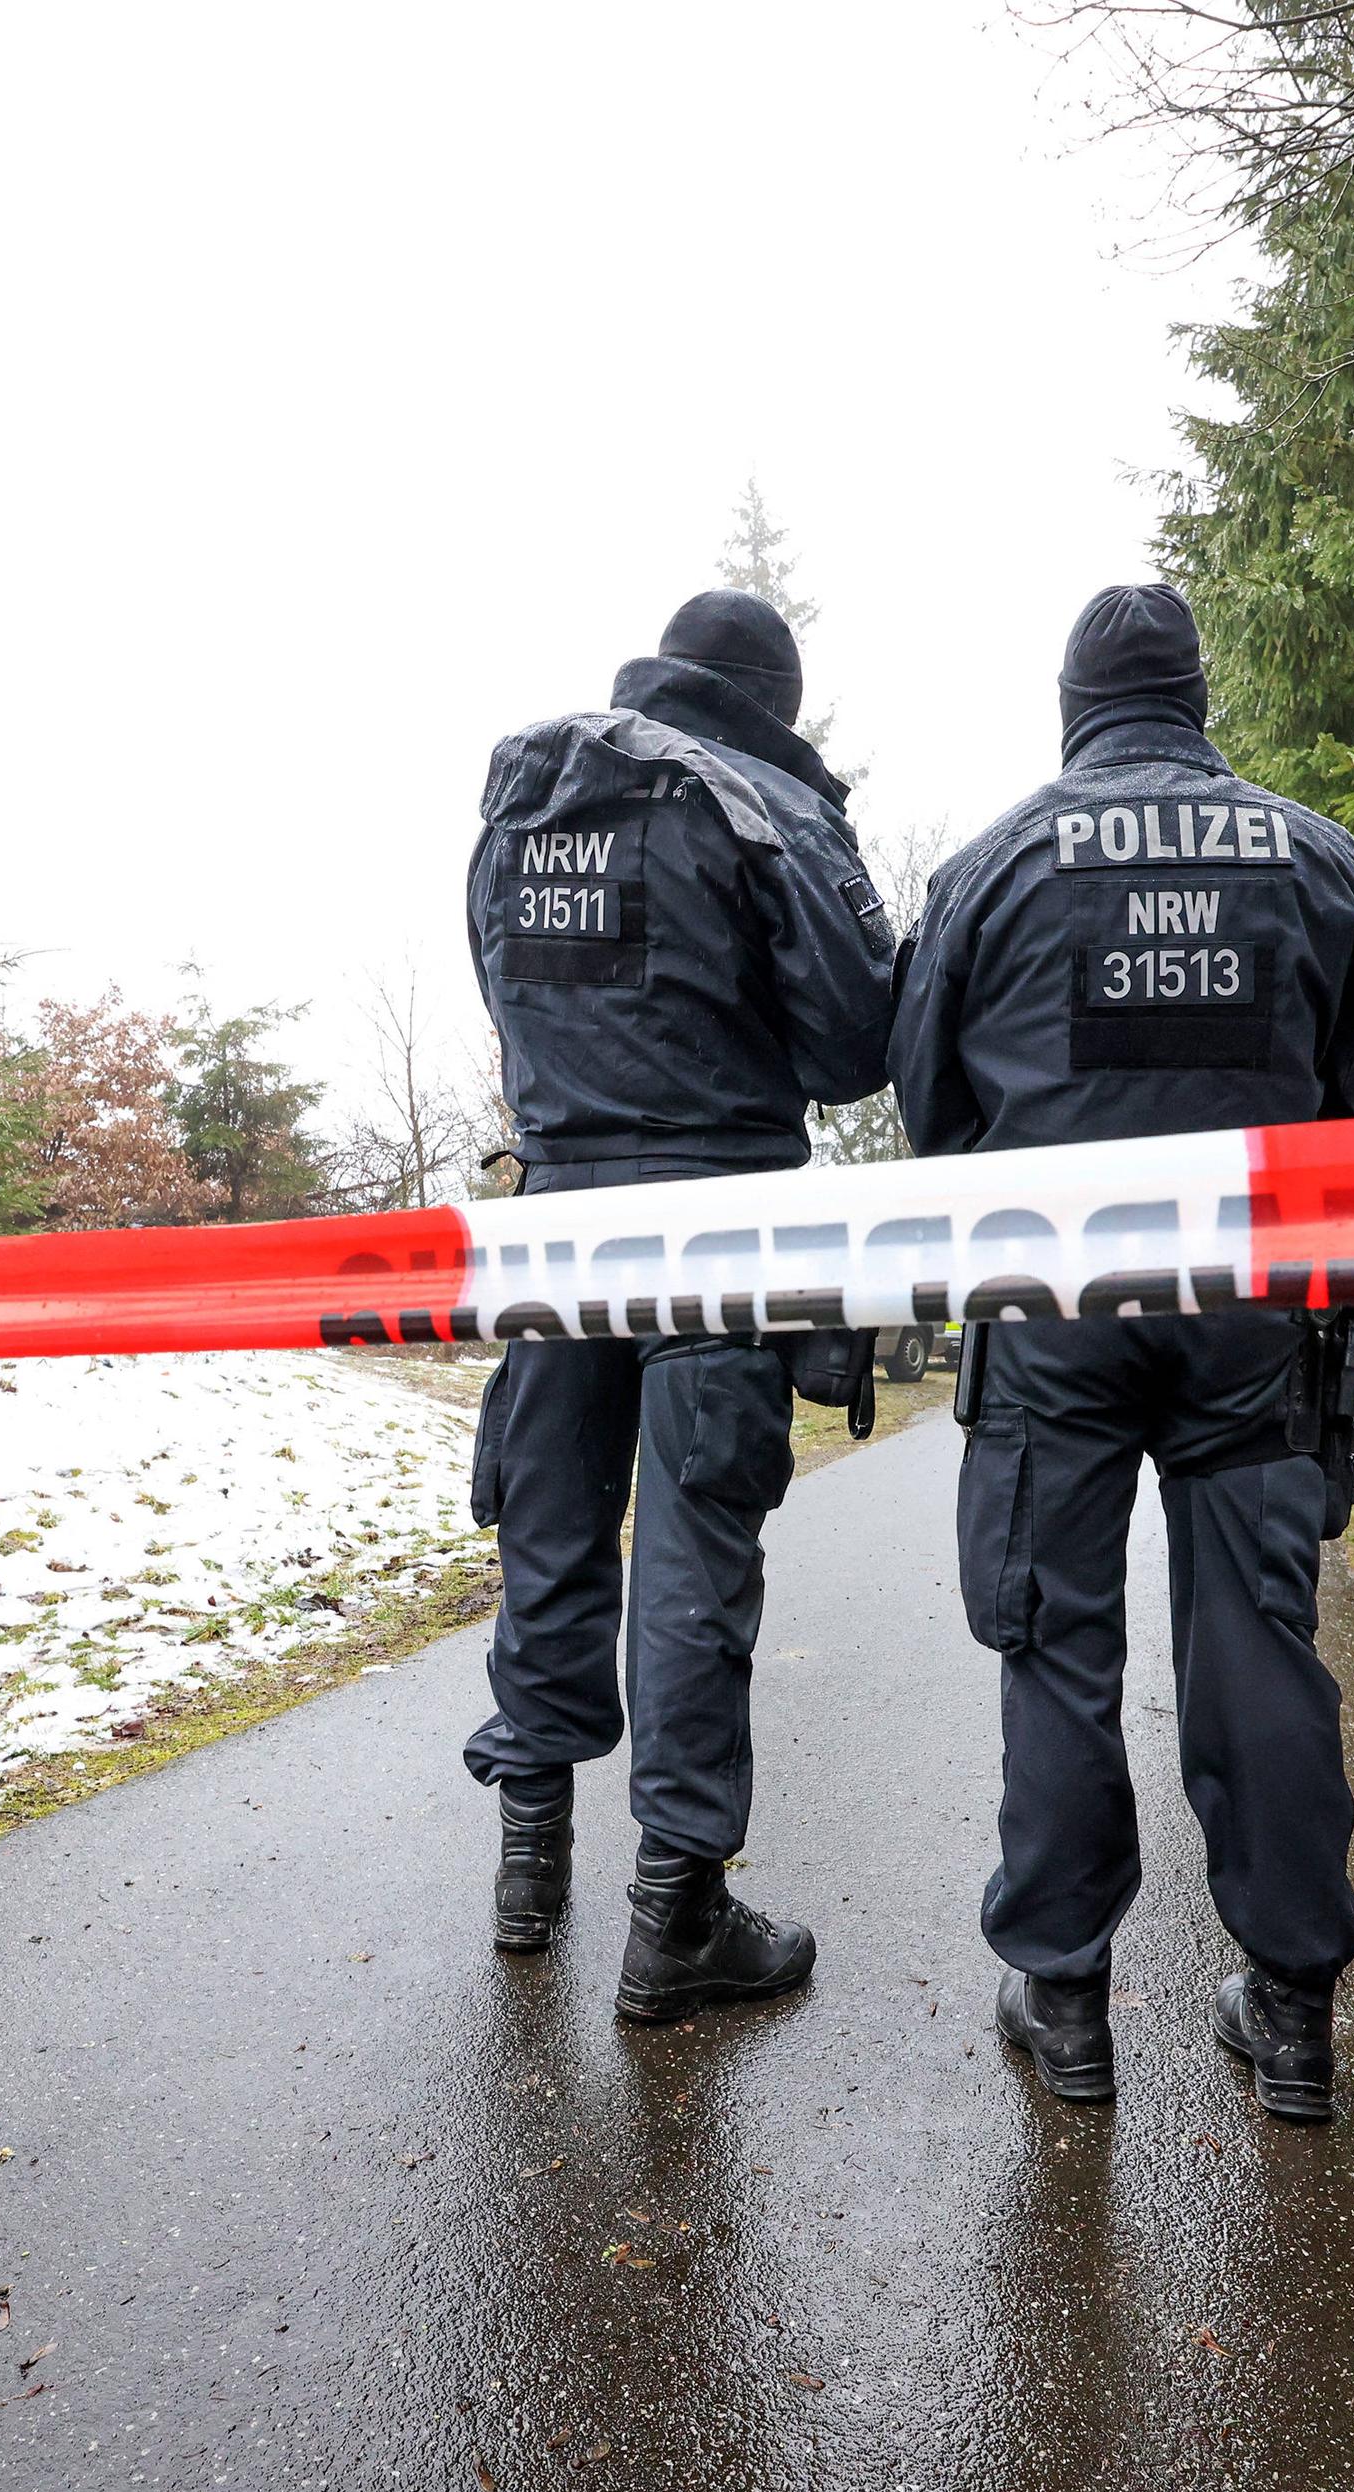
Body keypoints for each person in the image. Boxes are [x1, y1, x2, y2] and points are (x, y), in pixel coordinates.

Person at [889, 583, 1354, 2121]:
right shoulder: (1310, 857)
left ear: (1073, 706)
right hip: (1253, 1309)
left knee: (1056, 1639)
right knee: (1259, 1638)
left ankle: (1065, 2002)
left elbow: (927, 1102)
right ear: (1197, 698)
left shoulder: (991, 866)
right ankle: (1294, 2008)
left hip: (1055, 1308)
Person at [461, 590, 897, 2023]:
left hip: (557, 1215)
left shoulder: (528, 796)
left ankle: (529, 1883)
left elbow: (508, 992)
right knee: (695, 1556)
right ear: (770, 699)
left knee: (550, 1523)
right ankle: (676, 1922)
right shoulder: (757, 800)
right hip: (716, 1218)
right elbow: (849, 1042)